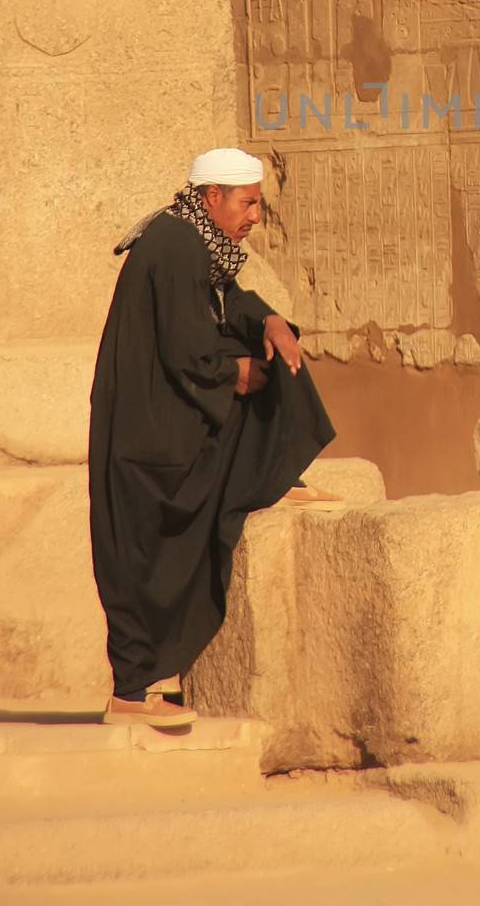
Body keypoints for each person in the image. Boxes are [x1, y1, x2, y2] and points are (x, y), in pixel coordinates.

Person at [88, 148, 337, 728]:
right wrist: (234, 376)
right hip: (147, 438)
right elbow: (187, 347)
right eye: (247, 203)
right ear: (211, 199)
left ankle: (272, 471)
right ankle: (129, 695)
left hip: (159, 426)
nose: (254, 216)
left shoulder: (192, 242)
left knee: (276, 348)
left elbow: (223, 304)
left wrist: (269, 320)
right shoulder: (175, 248)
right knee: (144, 559)